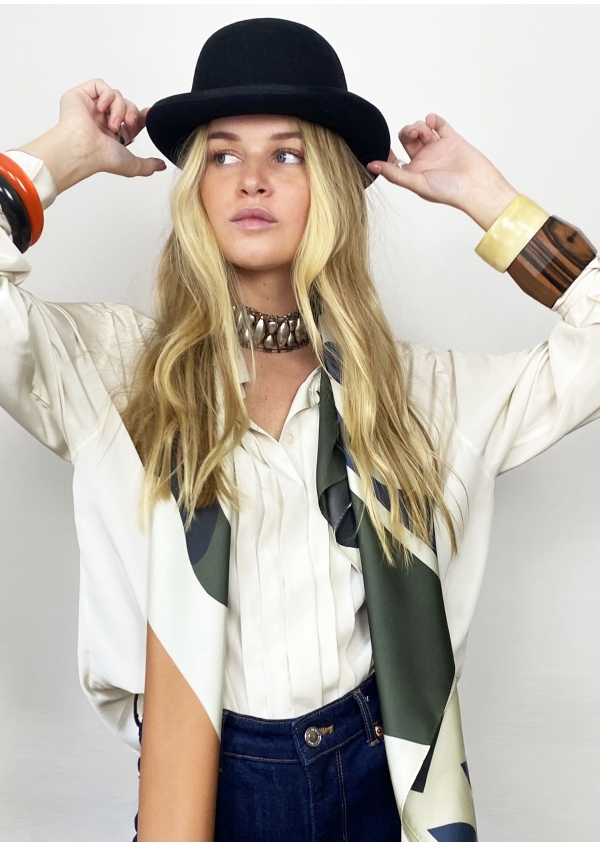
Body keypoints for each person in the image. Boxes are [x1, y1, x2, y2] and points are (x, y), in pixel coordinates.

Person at [1, 16, 598, 843]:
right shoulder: (117, 374)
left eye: (287, 155)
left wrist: (488, 201)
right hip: (205, 788)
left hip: (385, 781)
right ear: (195, 187)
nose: (251, 180)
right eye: (222, 156)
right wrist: (59, 157)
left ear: (334, 186)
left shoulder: (420, 394)